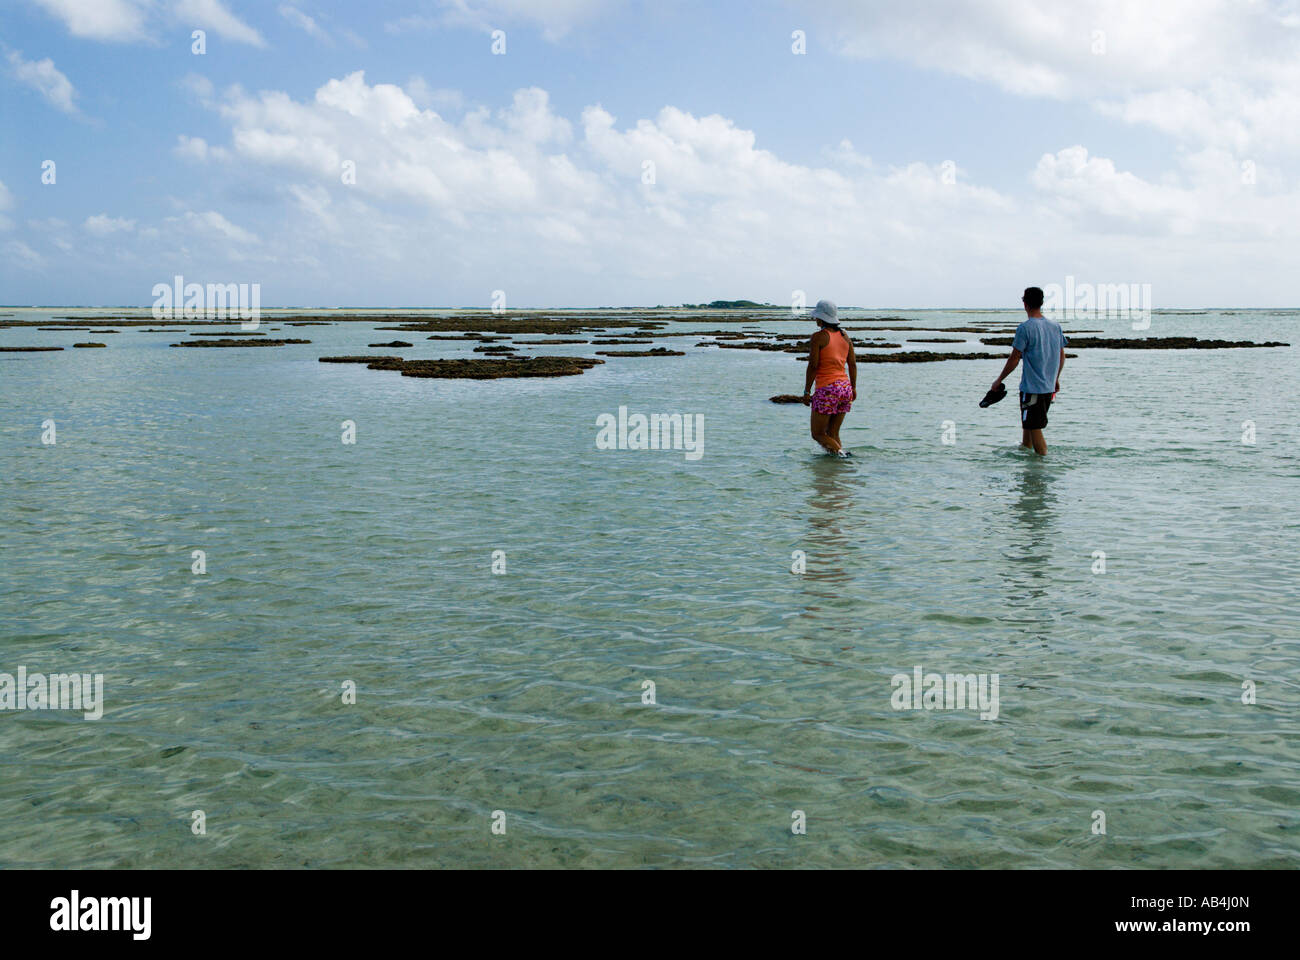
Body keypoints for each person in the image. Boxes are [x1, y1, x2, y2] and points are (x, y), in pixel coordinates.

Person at [991, 286, 1067, 456]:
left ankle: (1041, 469)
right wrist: (1056, 379)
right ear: (1041, 303)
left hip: (1033, 388)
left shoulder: (1025, 328)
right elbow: (1061, 356)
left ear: (1025, 303)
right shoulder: (1055, 326)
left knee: (1034, 426)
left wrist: (998, 380)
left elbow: (1014, 358)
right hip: (1047, 387)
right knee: (1029, 425)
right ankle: (1026, 461)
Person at [801, 300, 857, 456]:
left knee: (818, 434)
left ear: (821, 318)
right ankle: (835, 471)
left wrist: (806, 391)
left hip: (828, 389)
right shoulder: (845, 336)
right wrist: (853, 387)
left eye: (816, 316)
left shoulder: (818, 337)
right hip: (845, 388)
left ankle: (843, 456)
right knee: (832, 433)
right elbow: (852, 364)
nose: (815, 319)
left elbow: (813, 366)